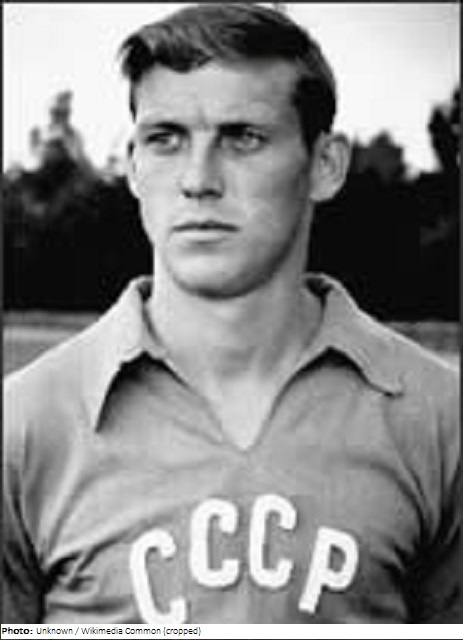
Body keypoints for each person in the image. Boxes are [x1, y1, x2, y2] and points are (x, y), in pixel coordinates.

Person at [3, 3, 460, 624]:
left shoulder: (441, 422)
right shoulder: (23, 428)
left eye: (243, 138)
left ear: (325, 165)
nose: (198, 179)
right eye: (165, 140)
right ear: (133, 166)